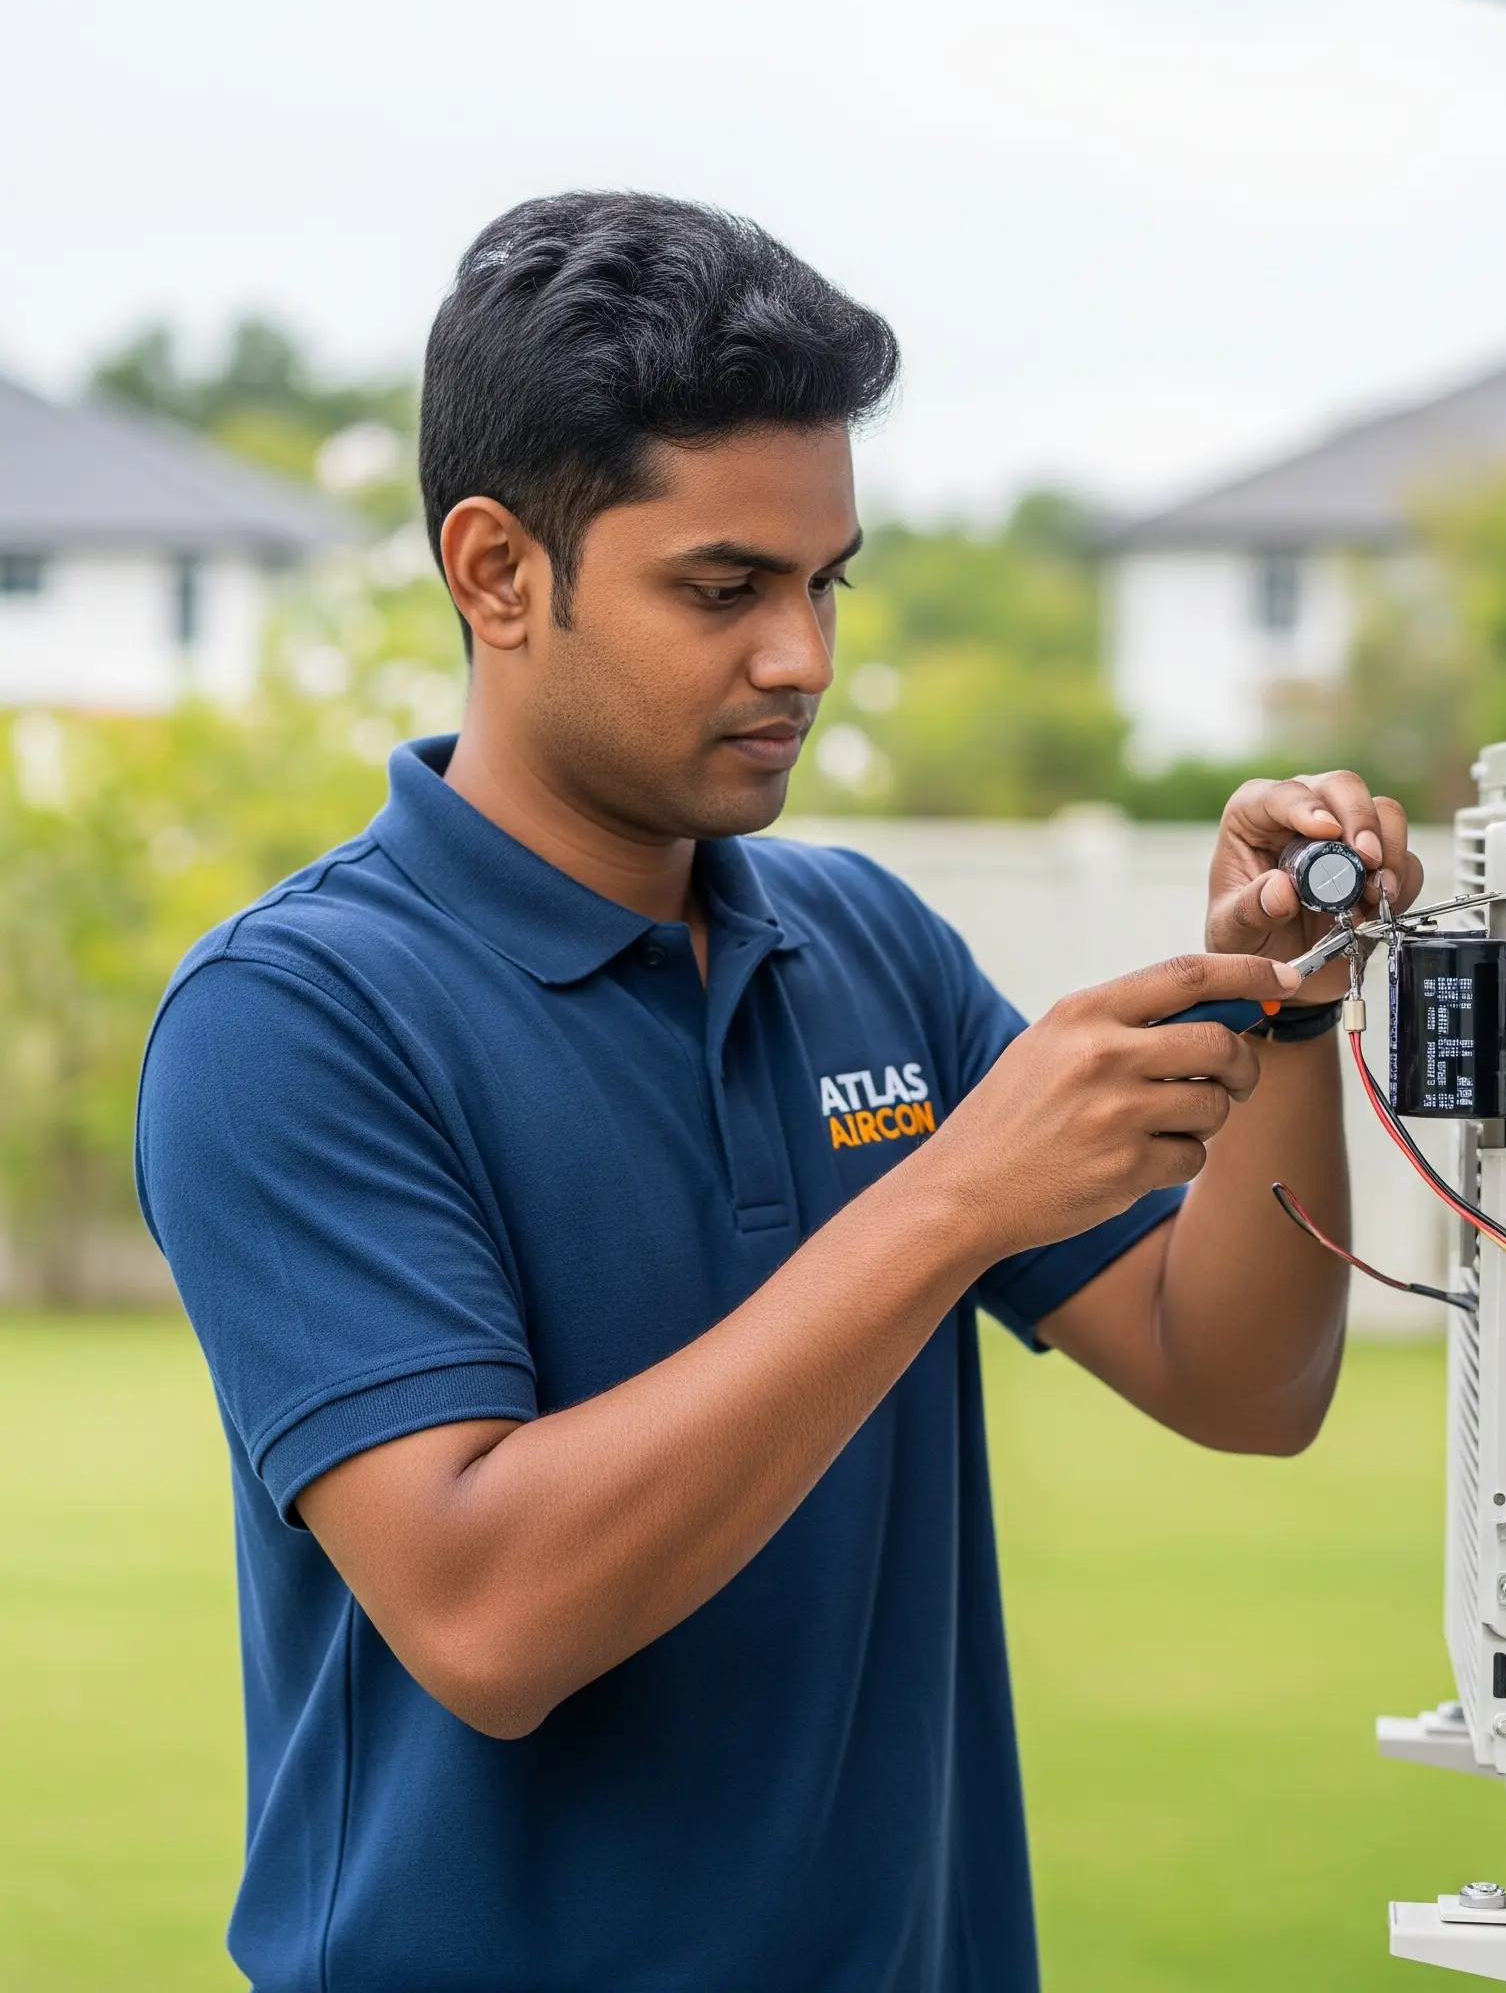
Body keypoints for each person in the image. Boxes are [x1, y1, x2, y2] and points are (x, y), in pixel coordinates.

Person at [137, 191, 1423, 1993]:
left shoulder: (863, 943)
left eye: (826, 583)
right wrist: (957, 1199)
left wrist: (1288, 1009)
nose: (803, 657)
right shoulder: (293, 1018)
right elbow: (486, 1614)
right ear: (498, 572)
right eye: (724, 588)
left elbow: (1243, 1381)